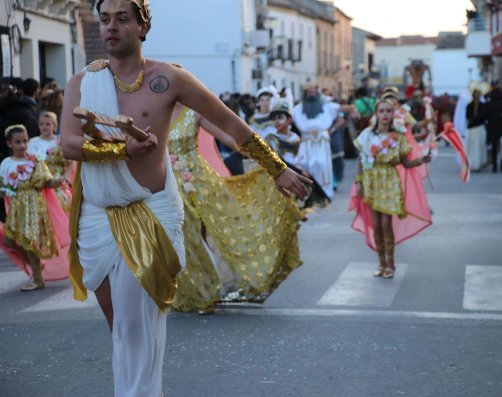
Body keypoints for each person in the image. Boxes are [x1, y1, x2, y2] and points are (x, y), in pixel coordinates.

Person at [59, 1, 311, 396]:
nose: (111, 27)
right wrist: (122, 150)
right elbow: (68, 144)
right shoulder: (81, 83)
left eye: (122, 18)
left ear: (143, 27)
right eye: (104, 19)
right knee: (120, 325)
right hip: (97, 214)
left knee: (135, 326)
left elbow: (232, 124)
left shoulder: (168, 78)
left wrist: (278, 169)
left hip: (152, 211)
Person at [169, 102, 303, 314]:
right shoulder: (156, 113)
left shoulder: (194, 112)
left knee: (217, 231)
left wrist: (260, 154)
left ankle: (211, 290)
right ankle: (198, 290)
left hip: (200, 182)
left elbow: (230, 139)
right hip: (171, 186)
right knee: (184, 238)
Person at [350, 100, 431, 279]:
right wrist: (358, 182)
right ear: (376, 114)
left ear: (392, 114)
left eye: (388, 111)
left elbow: (406, 163)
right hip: (371, 181)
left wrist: (421, 160)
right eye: (382, 111)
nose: (385, 114)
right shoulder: (366, 135)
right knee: (377, 225)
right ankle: (381, 263)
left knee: (387, 224)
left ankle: (391, 264)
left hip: (389, 181)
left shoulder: (398, 136)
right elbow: (359, 160)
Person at [0, 125, 68, 291]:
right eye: (17, 142)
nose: (22, 145)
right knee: (9, 240)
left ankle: (37, 279)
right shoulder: (6, 163)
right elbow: (3, 186)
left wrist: (57, 181)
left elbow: (47, 181)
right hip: (17, 209)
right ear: (9, 144)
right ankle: (37, 264)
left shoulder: (35, 160)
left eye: (24, 141)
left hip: (34, 206)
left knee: (29, 241)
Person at [266, 101, 330, 208]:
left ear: (289, 119)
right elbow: (277, 160)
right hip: (280, 177)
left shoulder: (295, 138)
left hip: (297, 176)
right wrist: (300, 172)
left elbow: (302, 157)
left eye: (280, 117)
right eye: (274, 119)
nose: (276, 121)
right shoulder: (270, 139)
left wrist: (303, 170)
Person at [292, 83, 344, 198]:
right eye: (309, 91)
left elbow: (341, 109)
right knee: (305, 164)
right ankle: (307, 190)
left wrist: (352, 108)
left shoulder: (326, 106)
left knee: (321, 164)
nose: (311, 93)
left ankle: (323, 190)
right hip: (307, 141)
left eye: (313, 91)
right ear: (305, 94)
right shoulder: (298, 108)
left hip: (321, 141)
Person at [28, 111, 73, 211]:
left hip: (58, 182)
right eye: (41, 124)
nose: (44, 127)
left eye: (48, 124)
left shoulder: (60, 141)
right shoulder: (33, 142)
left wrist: (66, 176)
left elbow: (71, 162)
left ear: (54, 125)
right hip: (39, 183)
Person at [466, 89, 487, 171]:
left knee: (479, 146)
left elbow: (483, 116)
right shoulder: (469, 105)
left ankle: (478, 163)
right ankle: (472, 163)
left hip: (479, 127)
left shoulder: (483, 105)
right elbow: (467, 116)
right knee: (472, 147)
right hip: (472, 128)